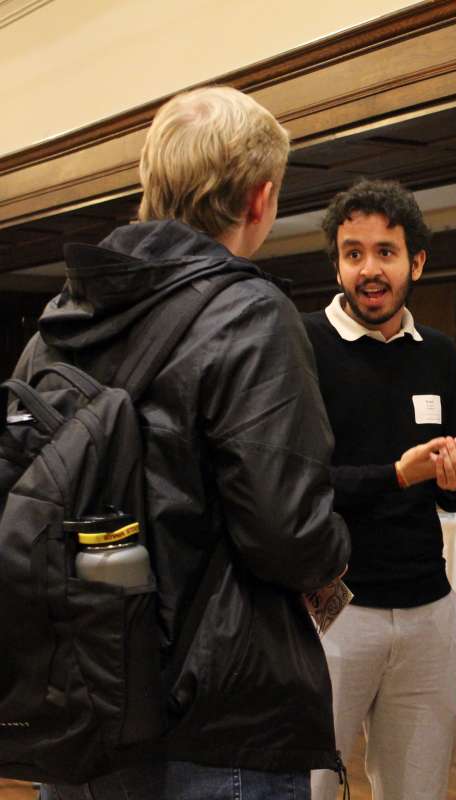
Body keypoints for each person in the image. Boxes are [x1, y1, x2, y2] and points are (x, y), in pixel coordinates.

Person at [15, 86, 357, 800]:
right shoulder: (249, 314)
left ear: (149, 184)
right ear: (260, 200)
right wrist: (335, 555)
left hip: (77, 699)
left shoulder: (60, 323)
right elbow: (286, 531)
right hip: (214, 714)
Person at [303, 179, 456, 800]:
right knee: (305, 788)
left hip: (430, 614)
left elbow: (449, 496)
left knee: (417, 791)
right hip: (330, 613)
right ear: (336, 262)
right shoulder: (302, 344)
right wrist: (396, 473)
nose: (369, 269)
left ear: (415, 262)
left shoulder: (437, 353)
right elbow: (297, 483)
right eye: (353, 252)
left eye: (385, 252)